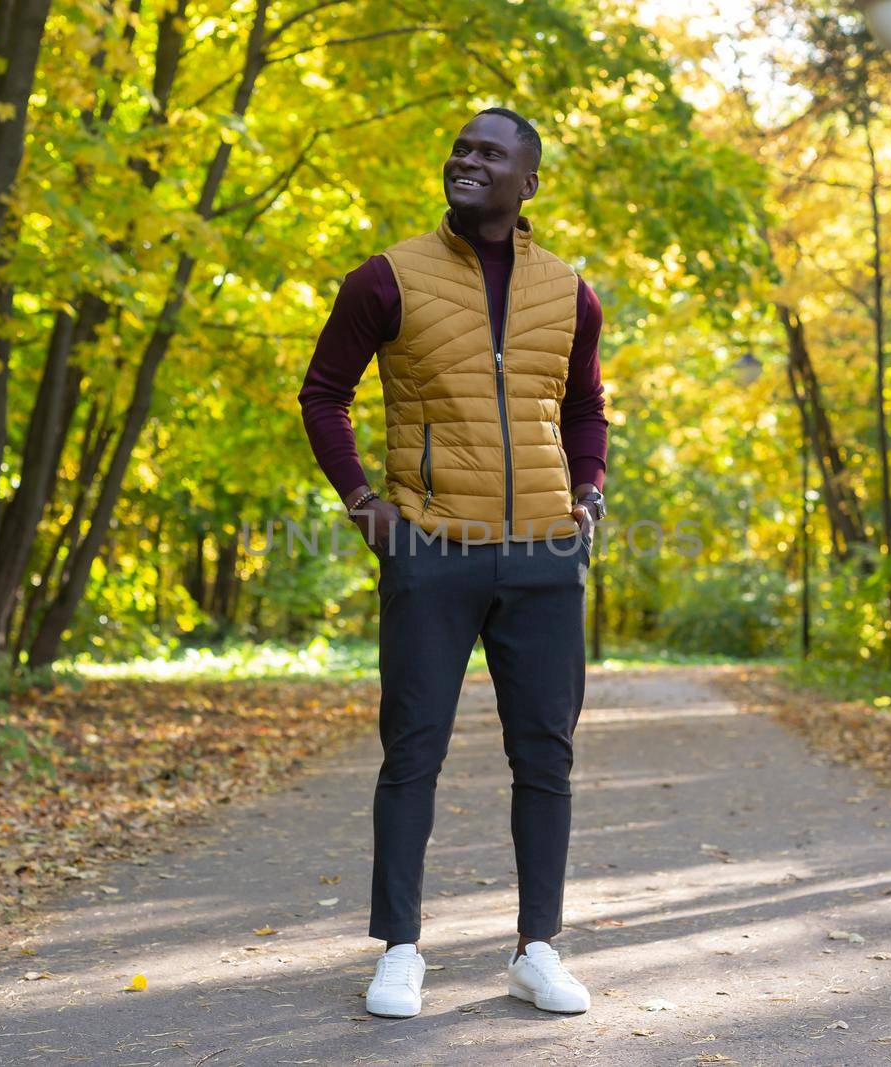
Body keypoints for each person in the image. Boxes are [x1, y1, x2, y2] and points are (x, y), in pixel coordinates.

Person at [298, 106, 609, 1019]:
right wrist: (365, 503)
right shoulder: (388, 278)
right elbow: (324, 395)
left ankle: (538, 948)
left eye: (490, 153)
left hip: (545, 555)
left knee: (544, 753)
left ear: (529, 183)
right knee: (413, 752)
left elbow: (587, 406)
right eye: (462, 148)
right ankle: (399, 949)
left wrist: (586, 498)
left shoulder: (570, 291)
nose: (467, 160)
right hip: (431, 549)